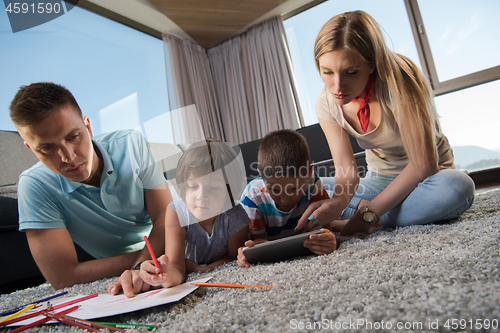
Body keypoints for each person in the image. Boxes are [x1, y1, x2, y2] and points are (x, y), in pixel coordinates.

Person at [295, 11, 475, 235]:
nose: (337, 86)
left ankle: (375, 218)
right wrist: (339, 202)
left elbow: (425, 163)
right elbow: (346, 171)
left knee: (459, 188)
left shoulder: (398, 80)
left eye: (351, 72)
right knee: (296, 187)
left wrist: (369, 214)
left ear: (371, 64)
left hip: (430, 179)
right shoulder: (326, 102)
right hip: (380, 181)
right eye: (327, 72)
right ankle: (395, 213)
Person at [10, 82, 176, 290]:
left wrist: (144, 262)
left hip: (184, 229)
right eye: (46, 148)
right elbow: (63, 277)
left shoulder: (130, 143)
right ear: (31, 149)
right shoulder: (34, 186)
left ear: (87, 127)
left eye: (73, 137)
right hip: (161, 249)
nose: (68, 157)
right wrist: (143, 262)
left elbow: (166, 216)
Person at [109, 139, 250, 296]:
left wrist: (200, 270)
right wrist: (167, 275)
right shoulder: (176, 212)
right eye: (193, 186)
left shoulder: (236, 214)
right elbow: (176, 267)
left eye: (213, 188)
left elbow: (233, 256)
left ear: (229, 191)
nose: (201, 196)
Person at [236, 129, 337, 268]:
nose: (285, 200)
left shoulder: (312, 183)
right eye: (275, 190)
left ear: (308, 174)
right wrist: (251, 250)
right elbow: (252, 243)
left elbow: (325, 229)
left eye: (294, 189)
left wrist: (328, 239)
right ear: (261, 175)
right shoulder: (252, 198)